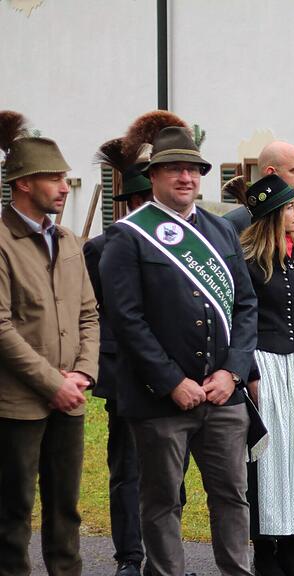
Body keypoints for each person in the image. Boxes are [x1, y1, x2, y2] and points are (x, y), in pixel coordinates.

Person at [99, 113, 258, 576]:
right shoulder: (126, 236)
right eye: (174, 169)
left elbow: (245, 305)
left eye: (193, 170)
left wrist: (232, 371)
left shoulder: (221, 230)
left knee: (232, 496)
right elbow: (126, 320)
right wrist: (172, 381)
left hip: (223, 396)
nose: (186, 177)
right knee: (162, 501)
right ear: (154, 177)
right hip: (161, 399)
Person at [223, 141, 294, 569]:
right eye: (291, 209)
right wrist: (247, 367)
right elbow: (240, 316)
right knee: (268, 457)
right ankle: (268, 547)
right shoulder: (247, 255)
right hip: (265, 365)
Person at [0, 110, 99, 576]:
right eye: (54, 178)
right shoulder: (1, 241)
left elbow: (89, 315)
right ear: (23, 183)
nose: (64, 187)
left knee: (66, 509)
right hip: (17, 404)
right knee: (12, 513)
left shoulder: (68, 240)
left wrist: (82, 374)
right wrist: (49, 382)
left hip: (71, 400)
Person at [83, 138, 156, 576]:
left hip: (175, 379)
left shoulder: (179, 245)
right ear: (128, 202)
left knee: (168, 477)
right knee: (127, 470)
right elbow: (92, 316)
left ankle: (164, 557)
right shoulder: (99, 249)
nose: (150, 204)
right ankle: (129, 556)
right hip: (126, 378)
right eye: (143, 198)